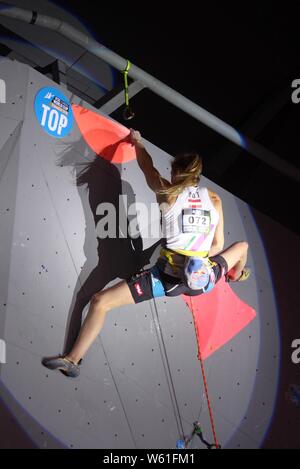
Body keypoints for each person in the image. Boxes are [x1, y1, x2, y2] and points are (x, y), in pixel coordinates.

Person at [42, 130, 250, 377]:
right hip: (202, 280)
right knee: (241, 248)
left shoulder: (167, 193)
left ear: (174, 174)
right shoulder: (215, 200)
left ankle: (73, 360)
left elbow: (146, 166)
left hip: (166, 281)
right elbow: (217, 245)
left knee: (100, 302)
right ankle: (235, 275)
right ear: (197, 177)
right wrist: (196, 254)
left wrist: (137, 142)